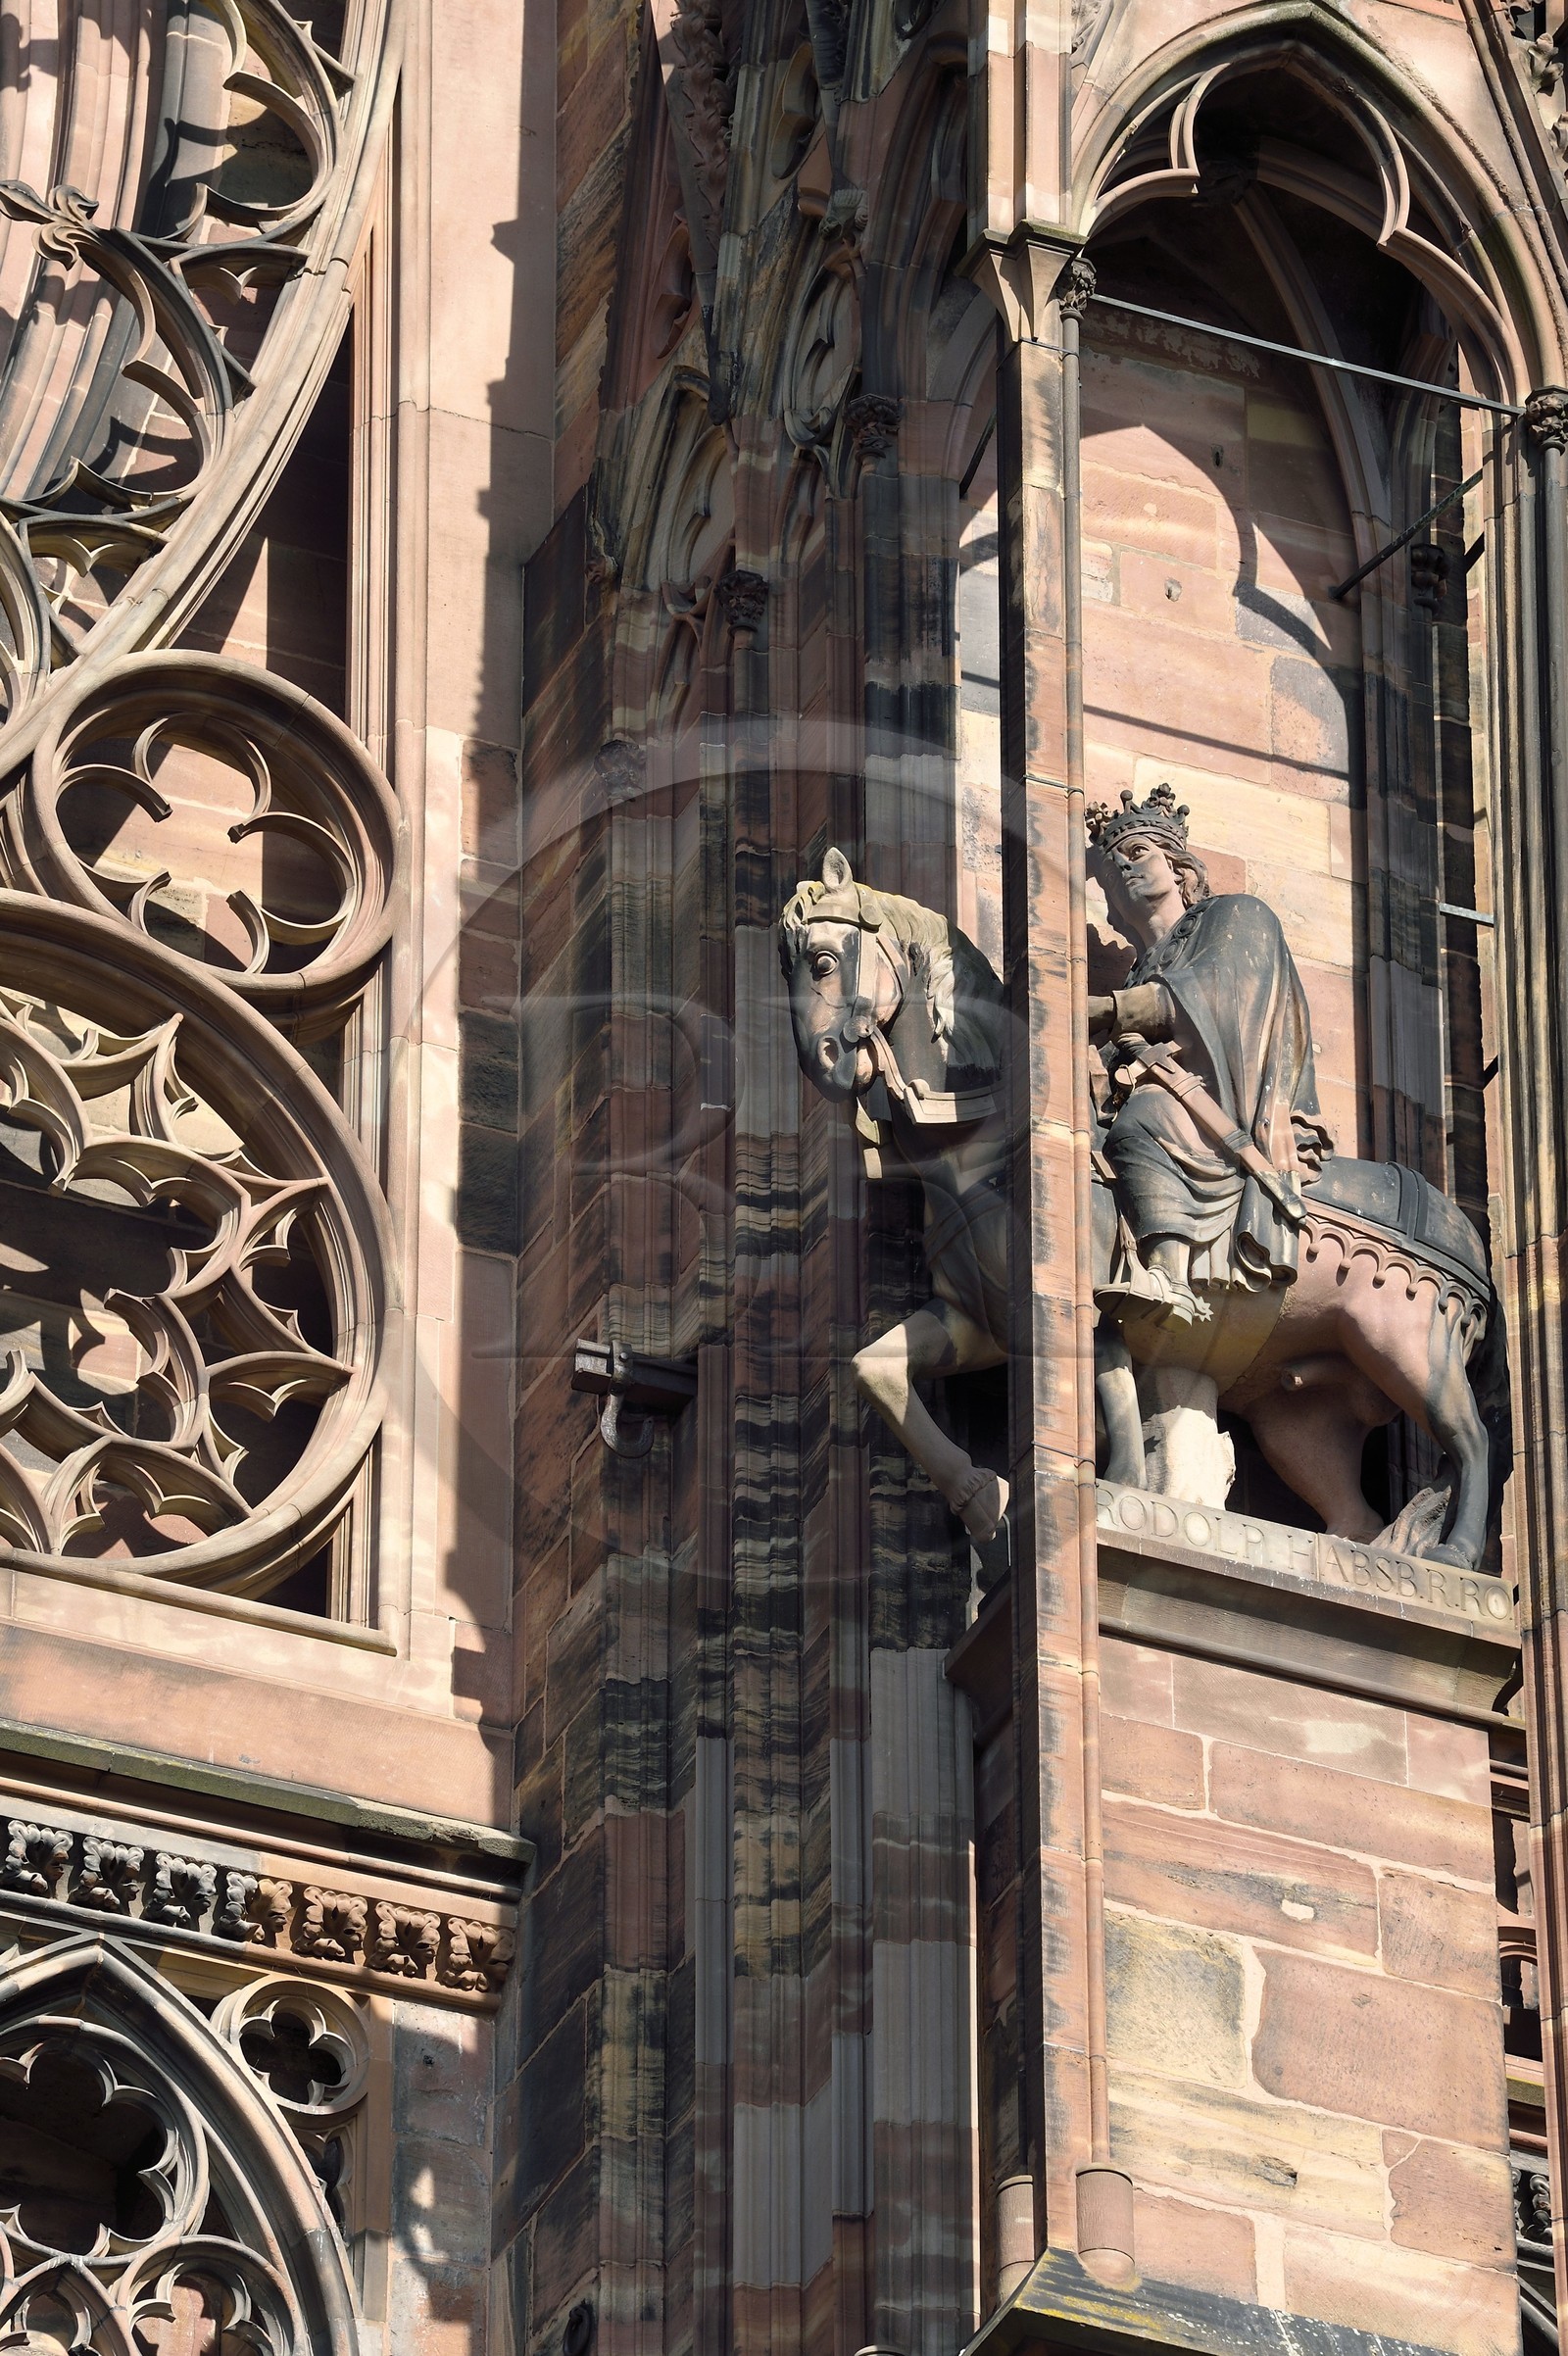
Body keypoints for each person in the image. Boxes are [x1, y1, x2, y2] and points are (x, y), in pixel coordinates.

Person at [1086, 785, 1334, 1332]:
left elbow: (1219, 992)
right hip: (1177, 1096)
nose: (1123, 870)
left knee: (1143, 1121)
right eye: (1110, 870)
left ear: (1178, 867)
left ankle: (1169, 1277)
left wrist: (1109, 1009)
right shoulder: (1140, 969)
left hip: (1231, 1104)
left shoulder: (1235, 914)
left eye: (1138, 853)